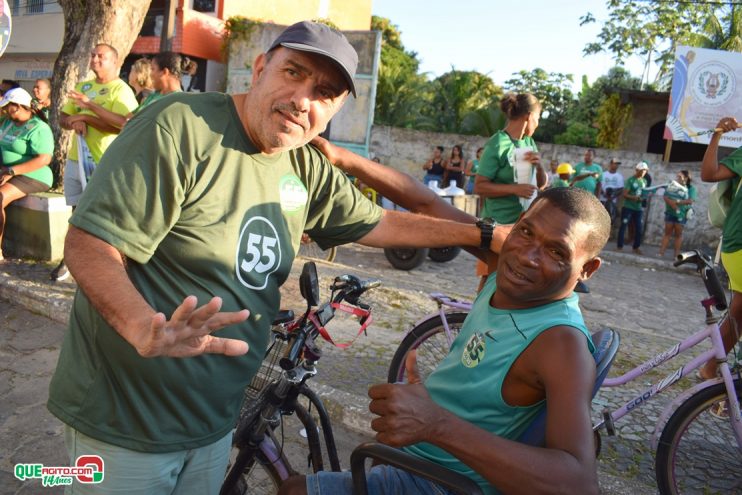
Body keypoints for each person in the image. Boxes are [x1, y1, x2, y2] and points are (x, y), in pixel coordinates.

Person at [47, 21, 508, 494]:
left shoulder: (303, 164)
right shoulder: (179, 125)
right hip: (124, 420)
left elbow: (381, 223)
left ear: (336, 111)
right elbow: (89, 242)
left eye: (324, 93)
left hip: (212, 421)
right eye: (293, 73)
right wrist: (140, 325)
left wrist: (489, 236)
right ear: (261, 67)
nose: (302, 99)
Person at [278, 187, 609, 495]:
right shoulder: (506, 277)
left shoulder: (561, 343)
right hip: (416, 452)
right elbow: (427, 203)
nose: (528, 256)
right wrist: (341, 158)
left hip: (438, 482)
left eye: (556, 251)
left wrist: (435, 423)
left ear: (587, 269)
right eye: (525, 232)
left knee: (293, 491)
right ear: (516, 226)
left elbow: (578, 483)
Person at [50, 43, 138, 282]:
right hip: (77, 159)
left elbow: (123, 124)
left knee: (103, 216)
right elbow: (63, 118)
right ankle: (70, 259)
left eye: (101, 56)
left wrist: (87, 113)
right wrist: (75, 121)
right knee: (76, 212)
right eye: (93, 55)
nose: (95, 59)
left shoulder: (121, 90)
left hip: (103, 162)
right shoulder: (83, 86)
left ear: (115, 61)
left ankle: (109, 265)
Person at [473, 92, 547, 289]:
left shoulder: (529, 143)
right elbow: (480, 186)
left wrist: (539, 166)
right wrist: (514, 190)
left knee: (511, 278)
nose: (538, 124)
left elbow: (541, 185)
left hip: (521, 224)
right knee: (491, 277)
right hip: (496, 223)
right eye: (538, 118)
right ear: (528, 116)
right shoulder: (498, 144)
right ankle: (478, 317)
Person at [699, 116, 742, 382]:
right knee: (739, 312)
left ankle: (712, 369)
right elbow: (709, 174)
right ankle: (711, 369)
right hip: (740, 241)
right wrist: (717, 135)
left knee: (740, 315)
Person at [67, 51, 189, 130]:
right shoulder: (153, 96)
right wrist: (89, 105)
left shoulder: (178, 102)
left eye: (152, 69)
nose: (150, 74)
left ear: (165, 72)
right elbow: (126, 122)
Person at [0, 88, 54, 260]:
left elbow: (44, 159)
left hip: (34, 174)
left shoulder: (39, 128)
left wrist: (12, 171)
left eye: (7, 107)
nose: (5, 110)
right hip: (8, 171)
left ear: (17, 106)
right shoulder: (7, 122)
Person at [658, 170, 695, 258]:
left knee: (678, 235)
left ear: (686, 178)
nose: (677, 178)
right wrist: (672, 204)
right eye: (677, 176)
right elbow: (665, 196)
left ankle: (676, 255)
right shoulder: (672, 186)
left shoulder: (691, 188)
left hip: (681, 215)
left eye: (680, 176)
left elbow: (690, 200)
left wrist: (677, 202)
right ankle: (661, 253)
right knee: (667, 233)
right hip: (670, 213)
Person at [616, 162, 649, 255]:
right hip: (628, 207)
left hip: (638, 208)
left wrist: (643, 198)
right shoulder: (630, 180)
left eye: (645, 171)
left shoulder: (644, 181)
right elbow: (625, 194)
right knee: (623, 226)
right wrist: (634, 197)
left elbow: (644, 193)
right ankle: (619, 246)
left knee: (639, 228)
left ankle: (636, 247)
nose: (643, 172)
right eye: (642, 170)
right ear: (637, 170)